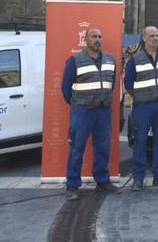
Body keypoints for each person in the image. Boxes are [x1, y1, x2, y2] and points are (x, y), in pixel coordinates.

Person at [61, 27, 119, 200]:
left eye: (100, 36)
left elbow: (112, 83)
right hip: (82, 112)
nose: (97, 39)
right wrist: (77, 103)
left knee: (102, 148)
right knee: (77, 149)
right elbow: (65, 88)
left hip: (103, 110)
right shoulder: (75, 60)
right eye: (94, 36)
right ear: (86, 40)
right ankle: (72, 185)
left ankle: (102, 180)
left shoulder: (110, 59)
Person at [125, 26, 158, 190]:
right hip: (142, 107)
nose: (155, 38)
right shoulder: (135, 59)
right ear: (144, 38)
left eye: (157, 36)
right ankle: (138, 178)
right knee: (140, 142)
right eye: (151, 36)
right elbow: (128, 84)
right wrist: (142, 96)